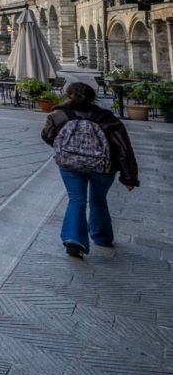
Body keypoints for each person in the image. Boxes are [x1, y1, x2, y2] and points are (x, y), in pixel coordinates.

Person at [41, 83, 139, 258]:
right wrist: (129, 177)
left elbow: (47, 136)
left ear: (68, 95)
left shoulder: (58, 115)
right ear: (93, 97)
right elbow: (123, 148)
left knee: (76, 199)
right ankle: (101, 237)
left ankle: (73, 239)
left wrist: (67, 148)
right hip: (102, 166)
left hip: (70, 164)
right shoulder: (107, 118)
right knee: (98, 200)